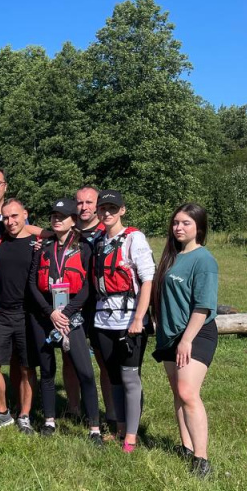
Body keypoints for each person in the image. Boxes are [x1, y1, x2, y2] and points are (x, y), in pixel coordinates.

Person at [28, 199, 103, 446]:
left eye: (63, 216)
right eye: (54, 216)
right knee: (47, 371)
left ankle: (94, 428)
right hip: (45, 316)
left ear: (73, 220)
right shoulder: (43, 247)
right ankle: (49, 421)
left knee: (85, 372)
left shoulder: (84, 247)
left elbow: (88, 286)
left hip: (72, 315)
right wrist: (51, 312)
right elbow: (32, 284)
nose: (57, 219)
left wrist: (67, 312)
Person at [151, 204, 219, 477]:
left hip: (195, 333)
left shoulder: (204, 260)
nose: (178, 227)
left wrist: (186, 339)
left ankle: (202, 459)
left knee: (188, 393)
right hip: (170, 335)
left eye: (186, 223)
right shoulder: (172, 256)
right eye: (176, 222)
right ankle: (186, 447)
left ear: (199, 228)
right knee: (178, 393)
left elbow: (203, 306)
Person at [92, 191, 155, 453]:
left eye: (112, 208)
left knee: (130, 377)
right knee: (114, 376)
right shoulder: (99, 241)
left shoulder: (133, 238)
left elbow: (148, 279)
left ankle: (131, 436)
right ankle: (119, 428)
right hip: (103, 319)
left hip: (129, 319)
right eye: (103, 208)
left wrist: (139, 319)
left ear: (122, 210)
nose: (107, 213)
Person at [0, 198, 39, 434]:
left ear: (25, 214)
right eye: (5, 217)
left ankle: (24, 415)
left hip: (27, 314)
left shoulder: (37, 243)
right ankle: (2, 412)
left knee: (26, 368)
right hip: (1, 314)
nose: (10, 221)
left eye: (14, 216)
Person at [64, 185, 116, 428]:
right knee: (69, 358)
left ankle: (111, 414)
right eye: (79, 202)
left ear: (98, 205)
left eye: (89, 202)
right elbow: (38, 232)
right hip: (73, 305)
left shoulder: (108, 231)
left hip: (100, 304)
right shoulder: (67, 231)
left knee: (104, 361)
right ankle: (74, 409)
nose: (84, 207)